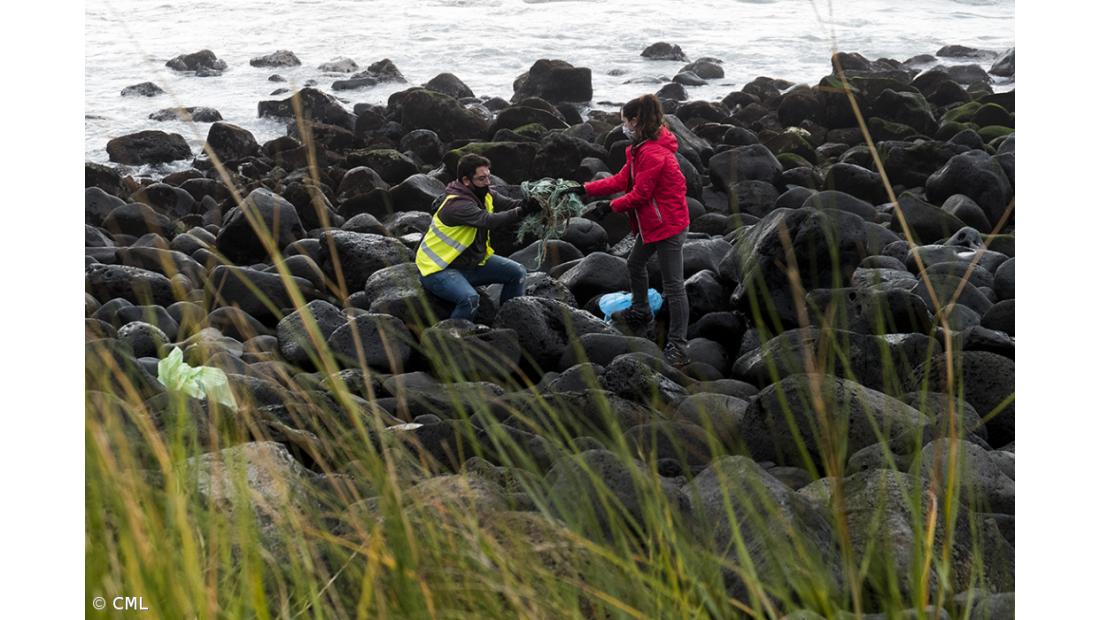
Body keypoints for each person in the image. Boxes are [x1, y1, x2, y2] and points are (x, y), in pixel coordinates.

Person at [562, 94, 692, 367]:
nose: (623, 127)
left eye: (625, 122)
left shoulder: (654, 153)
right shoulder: (641, 148)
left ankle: (679, 347)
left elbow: (641, 194)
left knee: (674, 287)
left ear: (636, 121)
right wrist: (584, 189)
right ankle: (642, 310)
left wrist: (609, 208)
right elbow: (623, 179)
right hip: (652, 223)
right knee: (634, 264)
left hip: (668, 226)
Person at [416, 153, 541, 322]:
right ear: (466, 180)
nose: (488, 183)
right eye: (482, 179)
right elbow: (489, 220)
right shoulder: (457, 205)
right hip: (438, 270)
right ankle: (453, 340)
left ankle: (509, 321)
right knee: (469, 300)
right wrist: (522, 211)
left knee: (517, 272)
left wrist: (534, 203)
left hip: (471, 264)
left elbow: (512, 205)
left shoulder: (486, 194)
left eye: (489, 177)